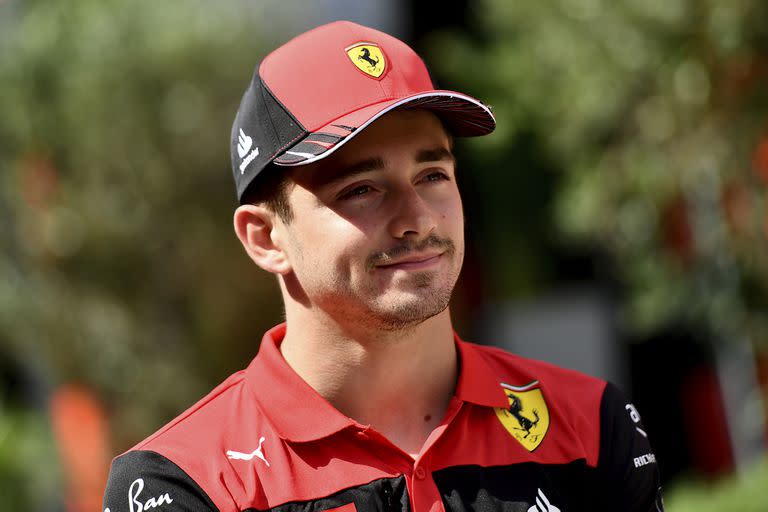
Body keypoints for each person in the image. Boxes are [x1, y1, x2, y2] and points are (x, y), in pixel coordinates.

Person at [103, 20, 663, 512]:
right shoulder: (186, 482)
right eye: (362, 189)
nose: (416, 219)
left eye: (432, 175)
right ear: (266, 237)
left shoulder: (591, 425)